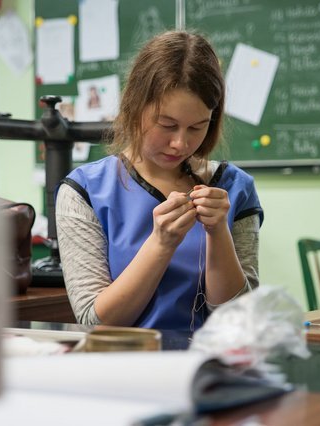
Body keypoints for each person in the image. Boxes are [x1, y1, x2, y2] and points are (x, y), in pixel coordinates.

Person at [55, 30, 263, 332]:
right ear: (135, 107)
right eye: (167, 125)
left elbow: (240, 321)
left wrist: (218, 232)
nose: (180, 143)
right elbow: (95, 322)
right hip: (125, 371)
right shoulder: (84, 192)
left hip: (211, 369)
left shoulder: (234, 188)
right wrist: (161, 244)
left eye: (196, 127)